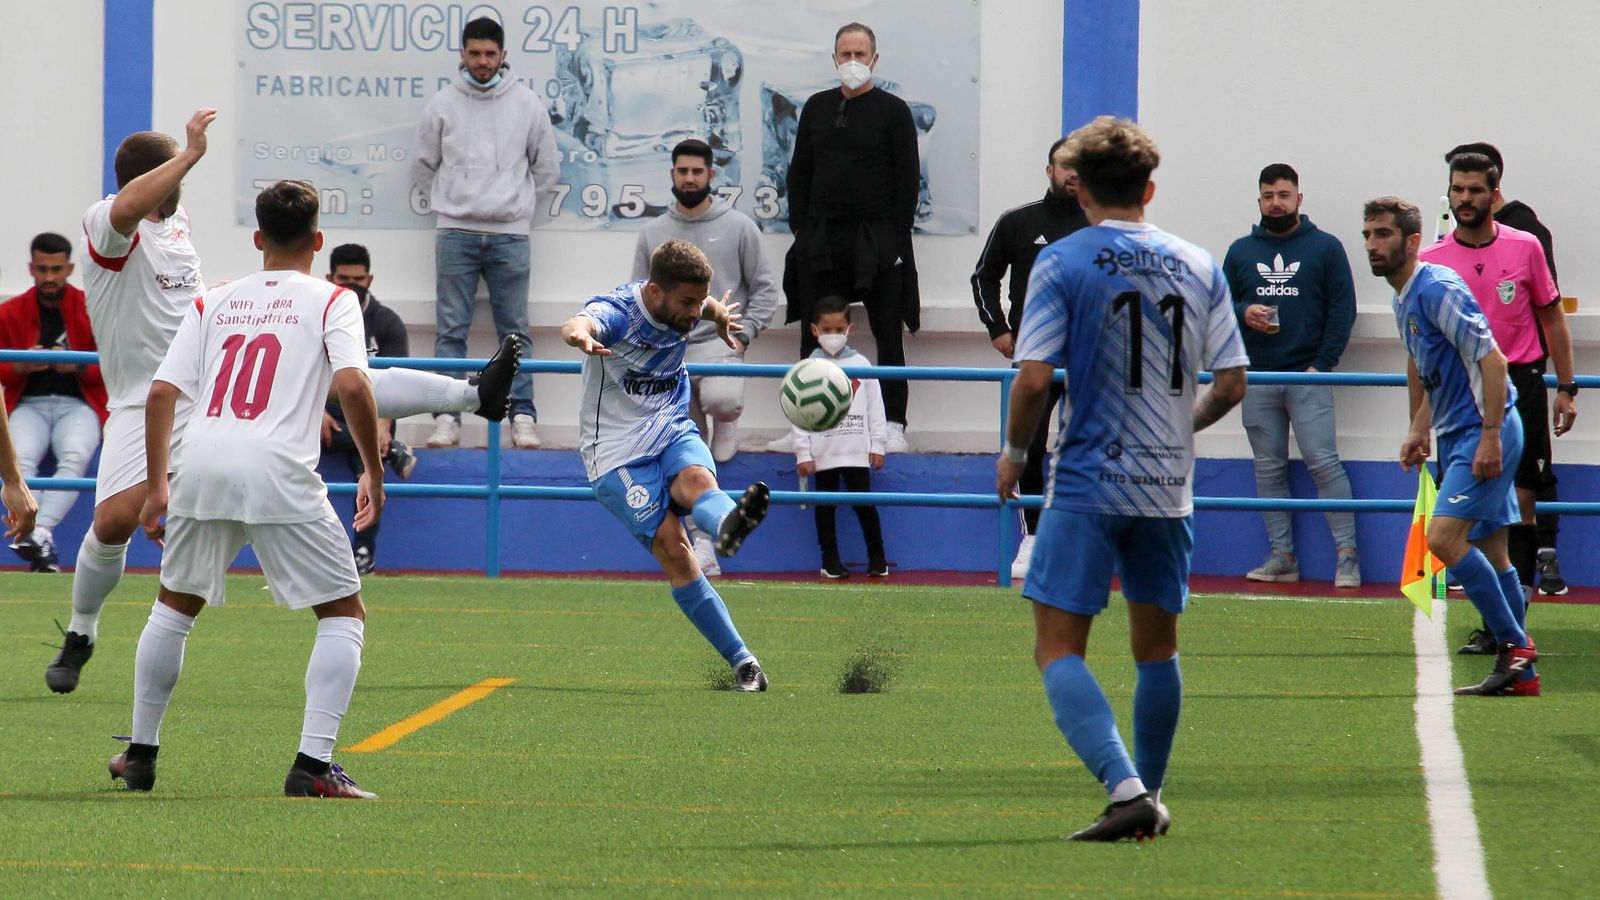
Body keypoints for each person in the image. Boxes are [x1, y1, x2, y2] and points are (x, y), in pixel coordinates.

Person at [45, 111, 522, 695]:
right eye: (175, 177)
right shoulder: (107, 222)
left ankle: (473, 394)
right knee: (113, 523)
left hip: (212, 382)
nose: (181, 189)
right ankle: (82, 629)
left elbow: (175, 298)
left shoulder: (176, 222)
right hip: (144, 398)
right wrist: (189, 154)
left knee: (341, 376)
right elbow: (127, 210)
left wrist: (221, 295)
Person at [995, 117, 1248, 841]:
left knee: (1057, 646)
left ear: (1078, 190)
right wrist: (1179, 427)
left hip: (1089, 480)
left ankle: (1125, 788)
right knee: (1156, 648)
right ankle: (1152, 796)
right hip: (1168, 487)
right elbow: (1233, 383)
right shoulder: (1198, 263)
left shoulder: (1063, 261)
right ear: (1150, 189)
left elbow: (1033, 378)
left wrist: (1013, 453)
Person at [110, 179, 386, 797]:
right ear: (318, 240)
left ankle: (141, 754)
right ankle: (313, 767)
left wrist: (156, 487)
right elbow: (354, 385)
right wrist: (372, 467)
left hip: (202, 462)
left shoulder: (213, 301)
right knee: (342, 612)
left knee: (173, 607)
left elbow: (161, 393)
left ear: (258, 239)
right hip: (279, 469)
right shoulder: (333, 300)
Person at [560, 239, 772, 692]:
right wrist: (578, 334)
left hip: (670, 424)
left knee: (697, 480)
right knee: (676, 550)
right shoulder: (619, 313)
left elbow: (706, 305)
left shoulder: (688, 303)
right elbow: (582, 321)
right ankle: (743, 660)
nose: (695, 312)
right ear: (655, 291)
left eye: (700, 301)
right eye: (688, 303)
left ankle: (727, 525)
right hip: (616, 453)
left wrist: (720, 315)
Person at [1363, 195, 1539, 697]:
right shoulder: (1403, 298)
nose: (1372, 244)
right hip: (1462, 431)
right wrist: (1420, 427)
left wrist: (1490, 436)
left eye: (1383, 234)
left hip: (1484, 429)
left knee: (1442, 538)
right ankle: (1523, 676)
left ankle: (1514, 645)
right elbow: (1435, 374)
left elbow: (1493, 360)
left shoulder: (1436, 288)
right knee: (1494, 551)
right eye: (1368, 235)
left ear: (1412, 241)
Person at [1418, 152, 1573, 652]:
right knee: (1479, 520)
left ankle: (1514, 626)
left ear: (1494, 193)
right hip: (1460, 399)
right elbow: (1422, 351)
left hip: (1520, 388)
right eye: (1458, 190)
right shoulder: (1433, 261)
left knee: (1522, 505)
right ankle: (1500, 629)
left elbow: (1552, 317)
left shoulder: (1525, 246)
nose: (1466, 198)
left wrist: (1567, 387)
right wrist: (1418, 422)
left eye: (1475, 190)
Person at [631, 139, 780, 575]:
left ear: (712, 175)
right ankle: (703, 542)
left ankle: (728, 421)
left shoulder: (739, 226)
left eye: (697, 171)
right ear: (672, 175)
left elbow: (766, 289)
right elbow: (638, 294)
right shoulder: (653, 232)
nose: (690, 178)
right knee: (688, 454)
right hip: (670, 348)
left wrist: (743, 335)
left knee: (723, 400)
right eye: (683, 171)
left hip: (721, 339)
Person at [411, 15, 559, 450]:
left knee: (515, 332)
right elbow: (422, 164)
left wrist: (516, 204)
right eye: (474, 53)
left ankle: (523, 416)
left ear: (503, 55)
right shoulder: (442, 104)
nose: (482, 61)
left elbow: (547, 166)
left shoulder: (527, 104)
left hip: (510, 234)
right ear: (462, 54)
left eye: (489, 54)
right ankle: (447, 417)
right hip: (454, 231)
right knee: (450, 331)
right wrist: (454, 201)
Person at [783, 21, 920, 453]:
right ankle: (807, 425)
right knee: (814, 334)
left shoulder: (895, 111)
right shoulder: (816, 107)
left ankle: (894, 424)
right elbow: (800, 171)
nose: (853, 61)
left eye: (861, 54)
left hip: (877, 238)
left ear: (874, 59)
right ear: (835, 58)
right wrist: (802, 229)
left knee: (888, 333)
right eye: (846, 54)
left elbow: (908, 179)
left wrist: (895, 237)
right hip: (823, 237)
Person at [1223, 164, 1360, 588]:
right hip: (1257, 379)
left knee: (1324, 463)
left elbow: (1343, 310)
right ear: (1259, 200)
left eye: (1284, 195)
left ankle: (1348, 557)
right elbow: (1218, 308)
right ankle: (1282, 557)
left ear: (1299, 199)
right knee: (1268, 470)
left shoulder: (1326, 248)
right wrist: (1244, 311)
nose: (1276, 203)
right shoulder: (1240, 252)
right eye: (1268, 196)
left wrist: (1322, 365)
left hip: (1309, 376)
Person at [971, 138, 1090, 579]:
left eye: (1081, 165)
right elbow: (983, 277)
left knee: (1089, 449)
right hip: (1035, 356)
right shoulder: (1019, 221)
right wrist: (999, 329)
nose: (1073, 173)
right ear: (1050, 170)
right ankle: (1034, 539)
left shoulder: (1104, 226)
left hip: (1090, 357)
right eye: (1065, 165)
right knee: (1029, 445)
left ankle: (1084, 540)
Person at [0, 233, 107, 571]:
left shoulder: (91, 308)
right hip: (27, 404)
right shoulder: (10, 312)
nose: (49, 277)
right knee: (19, 463)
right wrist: (19, 366)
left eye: (56, 269)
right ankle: (40, 538)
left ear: (69, 269)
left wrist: (78, 366)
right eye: (42, 269)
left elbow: (116, 364)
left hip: (78, 405)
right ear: (31, 268)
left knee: (74, 457)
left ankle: (37, 533)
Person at [322, 243, 415, 575]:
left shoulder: (387, 322)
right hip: (321, 414)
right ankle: (395, 451)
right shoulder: (314, 316)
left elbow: (397, 382)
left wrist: (382, 426)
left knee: (368, 457)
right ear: (330, 278)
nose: (351, 286)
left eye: (358, 279)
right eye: (343, 279)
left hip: (370, 414)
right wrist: (316, 412)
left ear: (370, 279)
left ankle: (362, 550)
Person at [792, 296, 887, 579]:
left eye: (838, 329)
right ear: (814, 330)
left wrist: (878, 444)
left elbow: (875, 406)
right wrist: (803, 453)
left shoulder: (862, 363)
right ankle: (830, 560)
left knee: (864, 505)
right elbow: (798, 412)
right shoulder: (807, 367)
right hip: (823, 453)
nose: (833, 335)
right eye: (826, 330)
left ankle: (878, 558)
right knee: (825, 507)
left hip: (857, 451)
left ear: (849, 329)